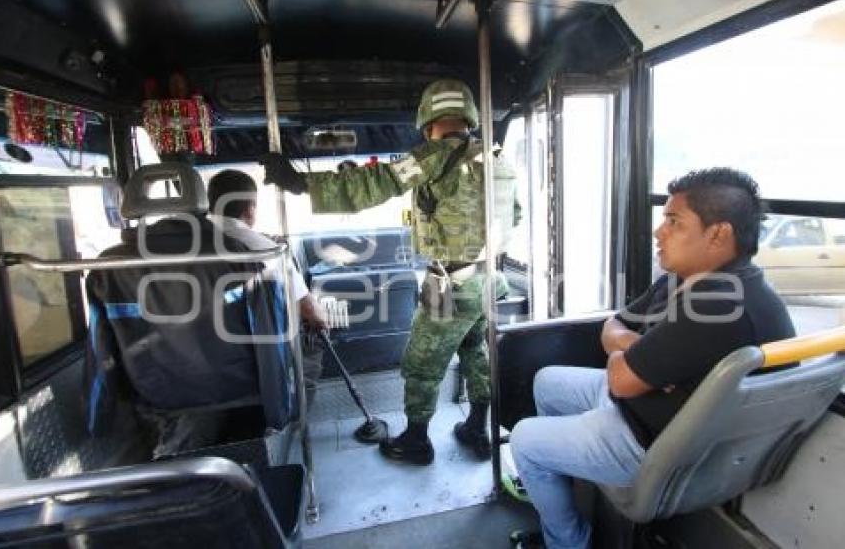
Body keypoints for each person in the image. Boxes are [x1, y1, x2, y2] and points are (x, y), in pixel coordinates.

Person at [509, 168, 796, 549]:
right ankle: (569, 478)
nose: (660, 233)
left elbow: (619, 378)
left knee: (526, 440)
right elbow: (612, 326)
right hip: (642, 405)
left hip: (647, 443)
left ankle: (568, 542)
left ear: (718, 233)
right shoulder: (686, 279)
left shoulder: (718, 305)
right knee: (547, 380)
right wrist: (639, 350)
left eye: (674, 222)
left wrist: (629, 356)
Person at [261, 78, 521, 465]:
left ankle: (416, 441)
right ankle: (477, 429)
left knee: (421, 364)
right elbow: (515, 215)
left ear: (427, 120)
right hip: (489, 281)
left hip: (451, 284)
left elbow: (376, 182)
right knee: (476, 353)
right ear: (467, 115)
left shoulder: (434, 155)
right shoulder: (498, 160)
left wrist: (300, 182)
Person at [207, 169, 329, 405]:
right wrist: (321, 320)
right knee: (315, 335)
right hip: (260, 358)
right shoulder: (265, 250)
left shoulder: (184, 246)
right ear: (250, 208)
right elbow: (308, 310)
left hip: (195, 358)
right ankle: (294, 411)